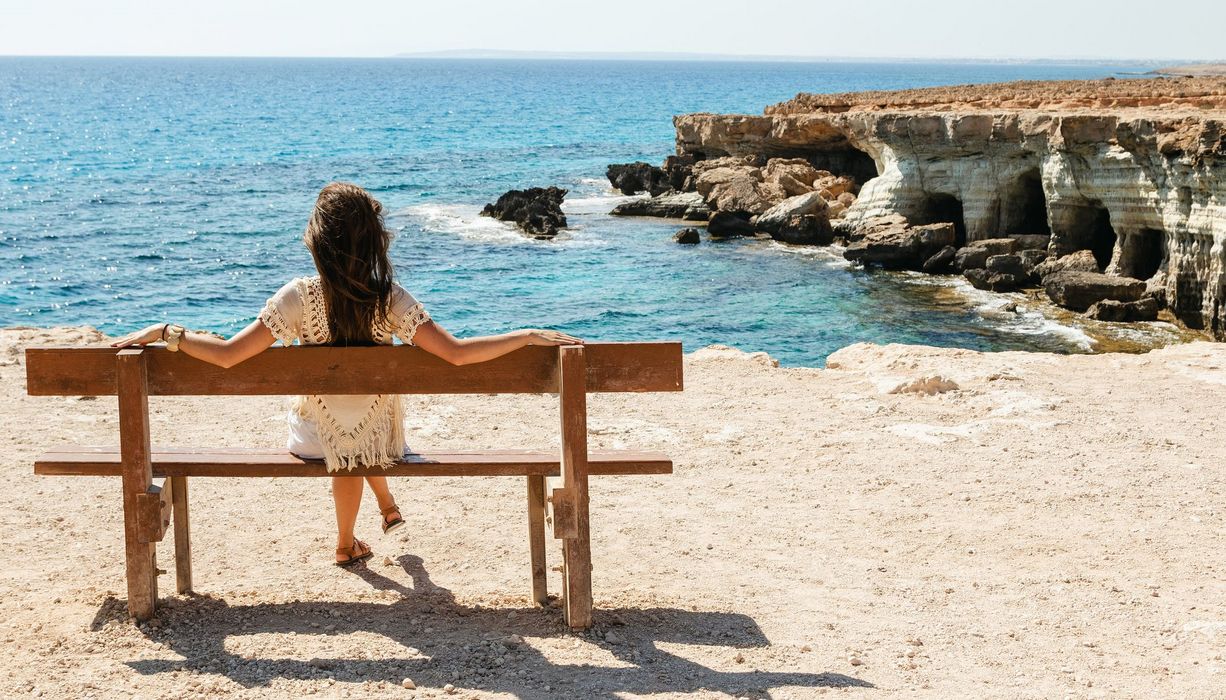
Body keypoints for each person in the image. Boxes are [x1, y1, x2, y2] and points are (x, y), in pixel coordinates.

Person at [112, 182, 582, 566]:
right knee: (361, 436)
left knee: (338, 432)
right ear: (371, 240)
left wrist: (168, 332)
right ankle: (365, 524)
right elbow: (457, 355)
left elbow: (229, 355)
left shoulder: (296, 297)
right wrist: (524, 335)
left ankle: (347, 539)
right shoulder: (390, 299)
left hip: (311, 442)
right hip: (383, 445)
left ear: (320, 239)